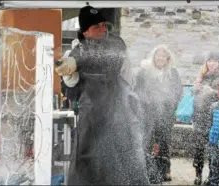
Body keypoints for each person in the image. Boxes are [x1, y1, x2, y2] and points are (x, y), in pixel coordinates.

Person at [55, 5, 149, 185]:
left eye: (104, 24)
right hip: (90, 118)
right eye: (96, 26)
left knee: (123, 164)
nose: (103, 29)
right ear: (85, 31)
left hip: (119, 114)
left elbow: (104, 56)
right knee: (87, 165)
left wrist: (76, 62)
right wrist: (69, 75)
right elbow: (73, 89)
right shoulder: (76, 50)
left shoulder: (115, 44)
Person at [134, 45, 182, 184]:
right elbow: (137, 90)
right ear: (153, 57)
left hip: (165, 114)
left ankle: (164, 170)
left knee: (164, 142)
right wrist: (146, 102)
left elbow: (178, 91)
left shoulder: (172, 73)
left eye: (163, 56)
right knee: (147, 142)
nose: (160, 58)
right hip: (147, 114)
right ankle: (148, 171)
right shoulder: (145, 72)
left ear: (168, 59)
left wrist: (171, 105)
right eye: (158, 55)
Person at [192, 51, 219, 185]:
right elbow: (196, 96)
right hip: (199, 116)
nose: (212, 63)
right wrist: (195, 89)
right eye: (209, 60)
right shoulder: (202, 75)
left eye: (215, 60)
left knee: (212, 149)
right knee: (198, 148)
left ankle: (211, 176)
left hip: (215, 118)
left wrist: (213, 92)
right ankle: (198, 174)